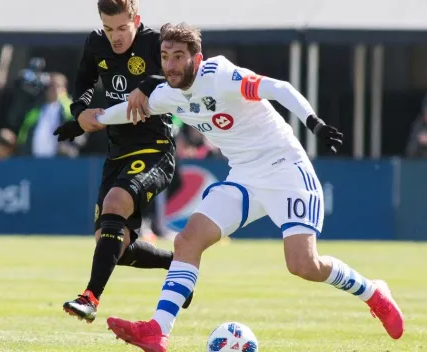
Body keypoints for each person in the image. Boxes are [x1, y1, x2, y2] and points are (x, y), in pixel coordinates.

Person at [94, 23, 405, 351]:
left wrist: (313, 121)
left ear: (196, 59)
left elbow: (279, 88)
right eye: (165, 56)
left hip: (285, 169)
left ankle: (374, 293)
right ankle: (158, 330)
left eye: (178, 56)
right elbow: (126, 112)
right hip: (243, 175)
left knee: (303, 264)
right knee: (188, 240)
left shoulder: (221, 76)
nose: (170, 64)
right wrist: (91, 120)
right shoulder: (166, 95)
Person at [53, 0, 193, 324]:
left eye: (121, 28)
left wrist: (147, 85)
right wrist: (80, 111)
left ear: (136, 20)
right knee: (117, 245)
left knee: (116, 203)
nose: (115, 37)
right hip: (116, 152)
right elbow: (84, 82)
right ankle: (177, 265)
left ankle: (89, 298)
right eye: (108, 28)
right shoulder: (96, 43)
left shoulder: (156, 42)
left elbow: (179, 73)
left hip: (155, 149)